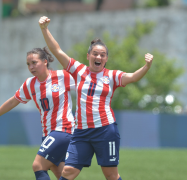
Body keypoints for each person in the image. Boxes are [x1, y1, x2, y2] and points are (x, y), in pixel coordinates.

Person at [38, 16, 154, 180]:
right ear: (88, 56)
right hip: (81, 132)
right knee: (68, 171)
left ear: (106, 59)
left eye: (102, 55)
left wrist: (147, 66)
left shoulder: (112, 76)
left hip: (105, 131)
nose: (98, 57)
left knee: (111, 175)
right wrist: (44, 29)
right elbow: (57, 51)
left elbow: (133, 77)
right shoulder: (78, 70)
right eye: (95, 54)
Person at [0, 47, 76, 180]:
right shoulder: (30, 84)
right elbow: (12, 102)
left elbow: (85, 83)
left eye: (34, 62)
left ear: (45, 61)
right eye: (28, 64)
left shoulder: (62, 76)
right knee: (59, 173)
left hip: (63, 130)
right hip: (48, 134)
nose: (31, 67)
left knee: (38, 165)